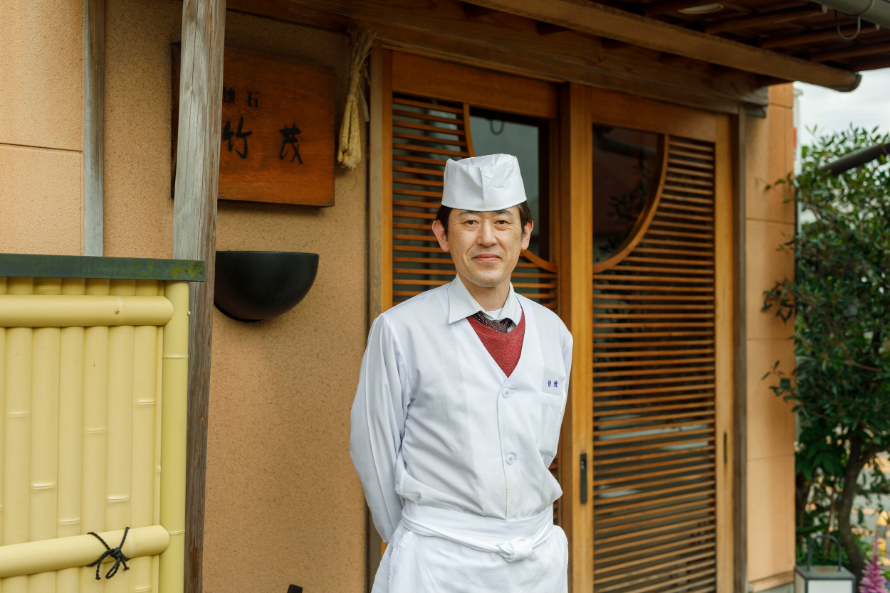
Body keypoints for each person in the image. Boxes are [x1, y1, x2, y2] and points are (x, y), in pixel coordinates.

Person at [350, 153, 573, 593]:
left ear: (525, 235)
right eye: (469, 222)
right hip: (439, 562)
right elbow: (373, 451)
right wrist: (417, 539)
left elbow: (541, 449)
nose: (487, 238)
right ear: (442, 235)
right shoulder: (399, 330)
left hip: (537, 560)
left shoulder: (553, 331)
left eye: (503, 223)